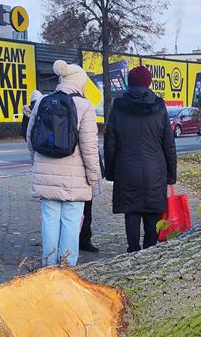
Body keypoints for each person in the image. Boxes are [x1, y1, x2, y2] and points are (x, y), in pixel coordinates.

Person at [26, 61, 100, 267]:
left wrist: (37, 162)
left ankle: (48, 265)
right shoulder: (85, 106)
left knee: (49, 221)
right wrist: (93, 176)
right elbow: (89, 147)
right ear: (79, 82)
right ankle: (67, 267)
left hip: (45, 175)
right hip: (75, 179)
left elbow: (31, 137)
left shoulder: (42, 102)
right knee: (71, 222)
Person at [104, 65, 177, 252]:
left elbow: (110, 143)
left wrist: (111, 172)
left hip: (126, 169)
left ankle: (133, 251)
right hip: (155, 170)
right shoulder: (160, 107)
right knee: (153, 212)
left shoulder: (118, 107)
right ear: (149, 82)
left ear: (129, 82)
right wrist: (171, 176)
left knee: (132, 212)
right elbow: (168, 144)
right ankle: (150, 251)